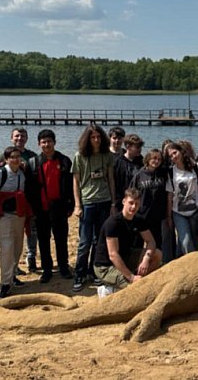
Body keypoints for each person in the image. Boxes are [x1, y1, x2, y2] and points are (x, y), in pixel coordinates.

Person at [27, 129, 75, 284]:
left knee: (61, 239)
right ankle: (47, 269)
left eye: (49, 141)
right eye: (43, 142)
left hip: (59, 207)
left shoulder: (65, 160)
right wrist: (32, 209)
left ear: (54, 142)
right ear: (39, 144)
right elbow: (29, 188)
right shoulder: (33, 163)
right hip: (41, 209)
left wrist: (72, 204)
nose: (46, 144)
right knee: (43, 240)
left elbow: (70, 185)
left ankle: (63, 267)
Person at [72, 124, 115, 291]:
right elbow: (75, 181)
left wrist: (113, 203)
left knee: (99, 240)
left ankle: (93, 271)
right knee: (85, 242)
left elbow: (111, 179)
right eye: (92, 137)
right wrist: (77, 205)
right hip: (87, 202)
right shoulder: (79, 156)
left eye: (98, 137)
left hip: (104, 201)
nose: (96, 140)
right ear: (87, 139)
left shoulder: (107, 155)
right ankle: (79, 274)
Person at [93, 188, 161, 293]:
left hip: (125, 257)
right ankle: (108, 290)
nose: (133, 207)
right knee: (135, 289)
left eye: (137, 204)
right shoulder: (113, 223)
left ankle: (137, 279)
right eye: (131, 203)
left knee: (157, 254)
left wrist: (146, 259)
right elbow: (113, 255)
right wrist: (131, 277)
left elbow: (151, 242)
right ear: (124, 201)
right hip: (105, 266)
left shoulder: (138, 219)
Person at [0, 146, 32, 299]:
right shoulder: (0, 174)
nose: (15, 159)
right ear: (6, 159)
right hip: (3, 216)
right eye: (12, 157)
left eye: (18, 156)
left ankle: (12, 274)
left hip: (18, 216)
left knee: (17, 246)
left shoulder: (21, 173)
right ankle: (5, 283)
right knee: (7, 248)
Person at [165, 141, 198, 257]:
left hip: (195, 210)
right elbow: (169, 196)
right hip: (178, 212)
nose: (174, 156)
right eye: (170, 156)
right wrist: (169, 216)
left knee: (193, 241)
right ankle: (195, 266)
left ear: (181, 151)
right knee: (186, 241)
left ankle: (179, 264)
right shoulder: (171, 172)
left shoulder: (195, 167)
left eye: (175, 152)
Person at [9, 127, 39, 274]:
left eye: (22, 136)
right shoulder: (5, 155)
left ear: (26, 138)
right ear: (11, 138)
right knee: (15, 234)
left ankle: (31, 256)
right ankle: (14, 264)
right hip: (12, 203)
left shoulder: (32, 156)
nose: (19, 139)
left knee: (32, 231)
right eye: (16, 136)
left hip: (30, 200)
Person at [129, 149, 169, 253]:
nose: (156, 161)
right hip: (142, 215)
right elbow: (132, 194)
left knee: (156, 243)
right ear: (148, 159)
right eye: (154, 158)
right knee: (137, 243)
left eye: (159, 159)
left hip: (157, 216)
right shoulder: (139, 175)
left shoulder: (163, 174)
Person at [113, 134, 144, 212]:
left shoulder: (141, 160)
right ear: (128, 146)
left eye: (140, 147)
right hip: (122, 200)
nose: (139, 149)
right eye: (137, 147)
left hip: (138, 199)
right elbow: (115, 184)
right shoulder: (118, 162)